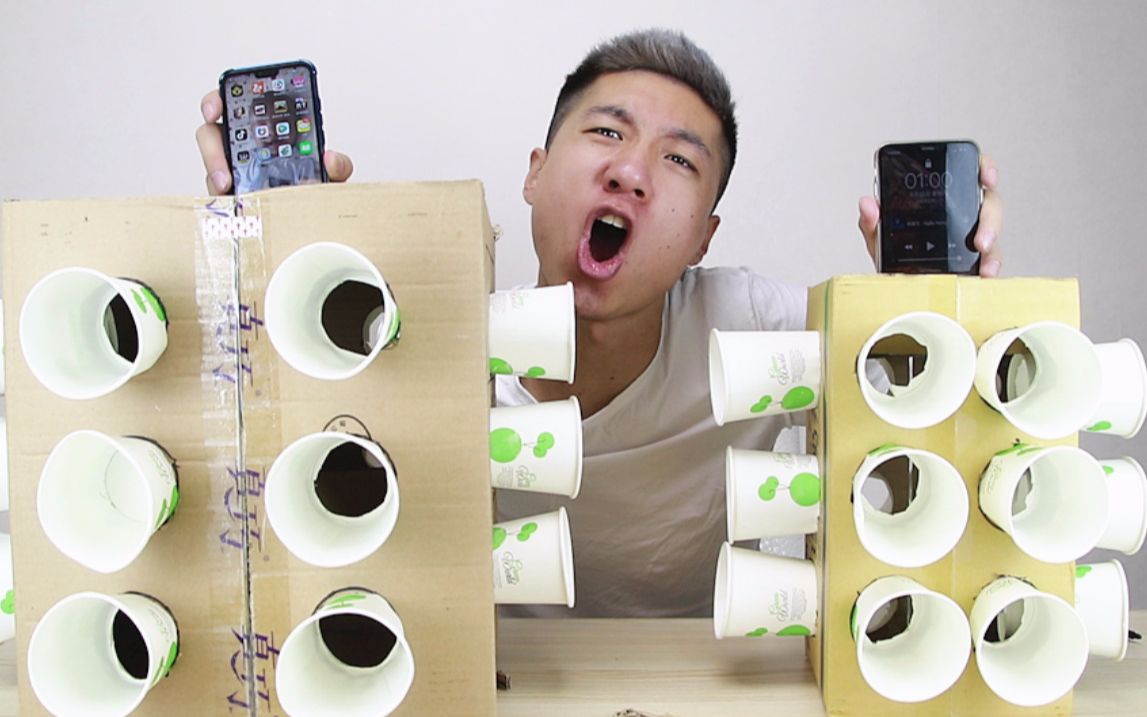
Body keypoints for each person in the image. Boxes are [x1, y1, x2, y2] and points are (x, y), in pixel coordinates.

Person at [196, 29, 1002, 618]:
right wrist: (286, 266)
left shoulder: (752, 327)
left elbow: (923, 447)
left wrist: (935, 307)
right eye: (607, 132)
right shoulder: (429, 346)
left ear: (702, 239)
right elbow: (298, 503)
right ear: (535, 175)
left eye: (678, 160)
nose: (630, 171)